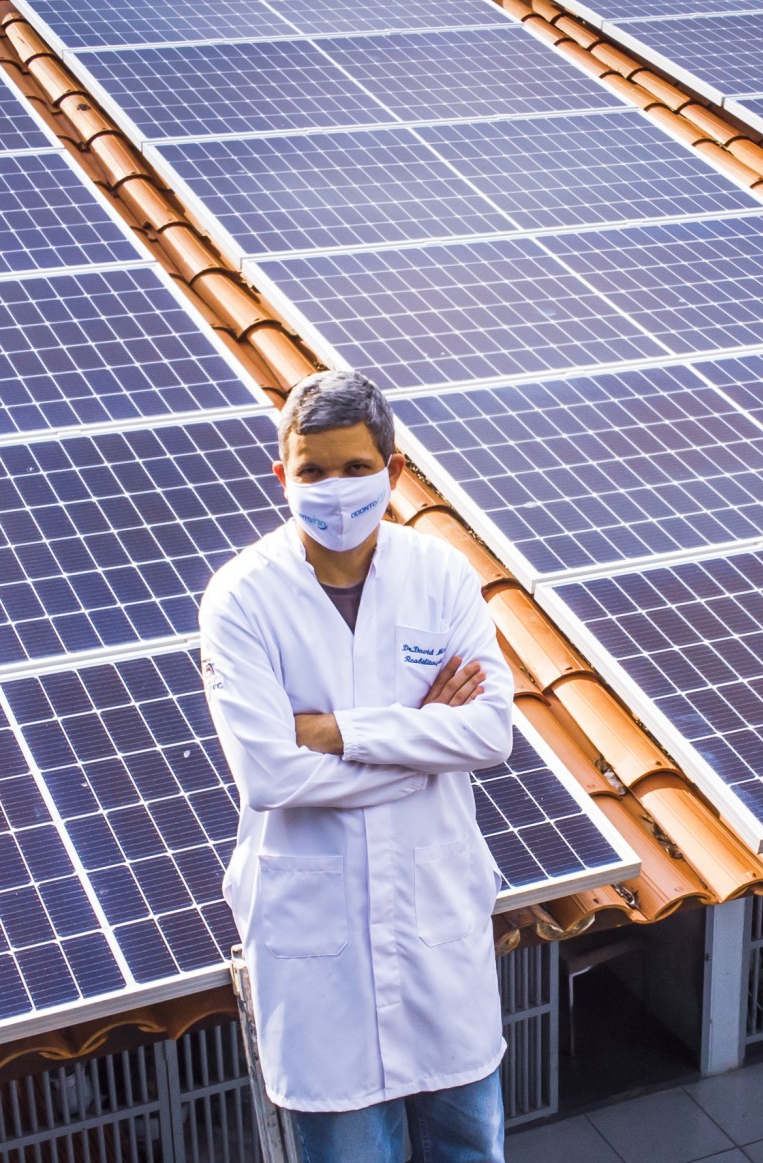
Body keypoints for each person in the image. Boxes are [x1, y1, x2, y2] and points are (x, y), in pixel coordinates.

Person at [199, 370, 516, 1162]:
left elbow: (489, 733)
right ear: (283, 476)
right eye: (312, 471)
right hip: (319, 961)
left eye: (353, 468)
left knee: (470, 1152)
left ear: (394, 472)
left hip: (436, 934)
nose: (333, 489)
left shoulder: (440, 576)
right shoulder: (241, 598)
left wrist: (335, 731)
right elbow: (272, 776)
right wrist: (420, 745)